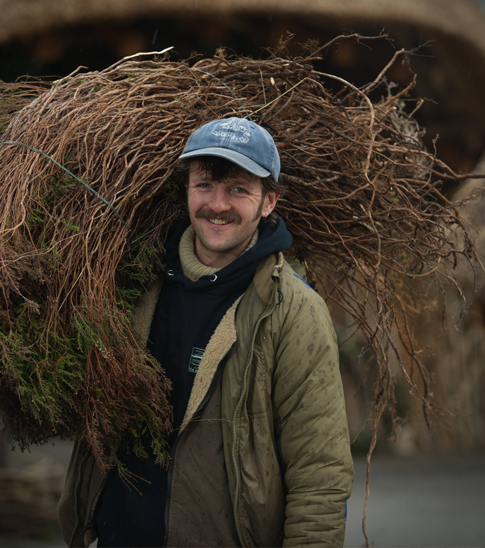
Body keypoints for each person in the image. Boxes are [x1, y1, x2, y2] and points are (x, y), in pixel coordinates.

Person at [59, 117, 354, 547]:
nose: (217, 204)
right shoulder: (129, 282)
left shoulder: (292, 312)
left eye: (238, 188)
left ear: (269, 202)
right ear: (186, 190)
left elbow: (320, 471)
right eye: (204, 186)